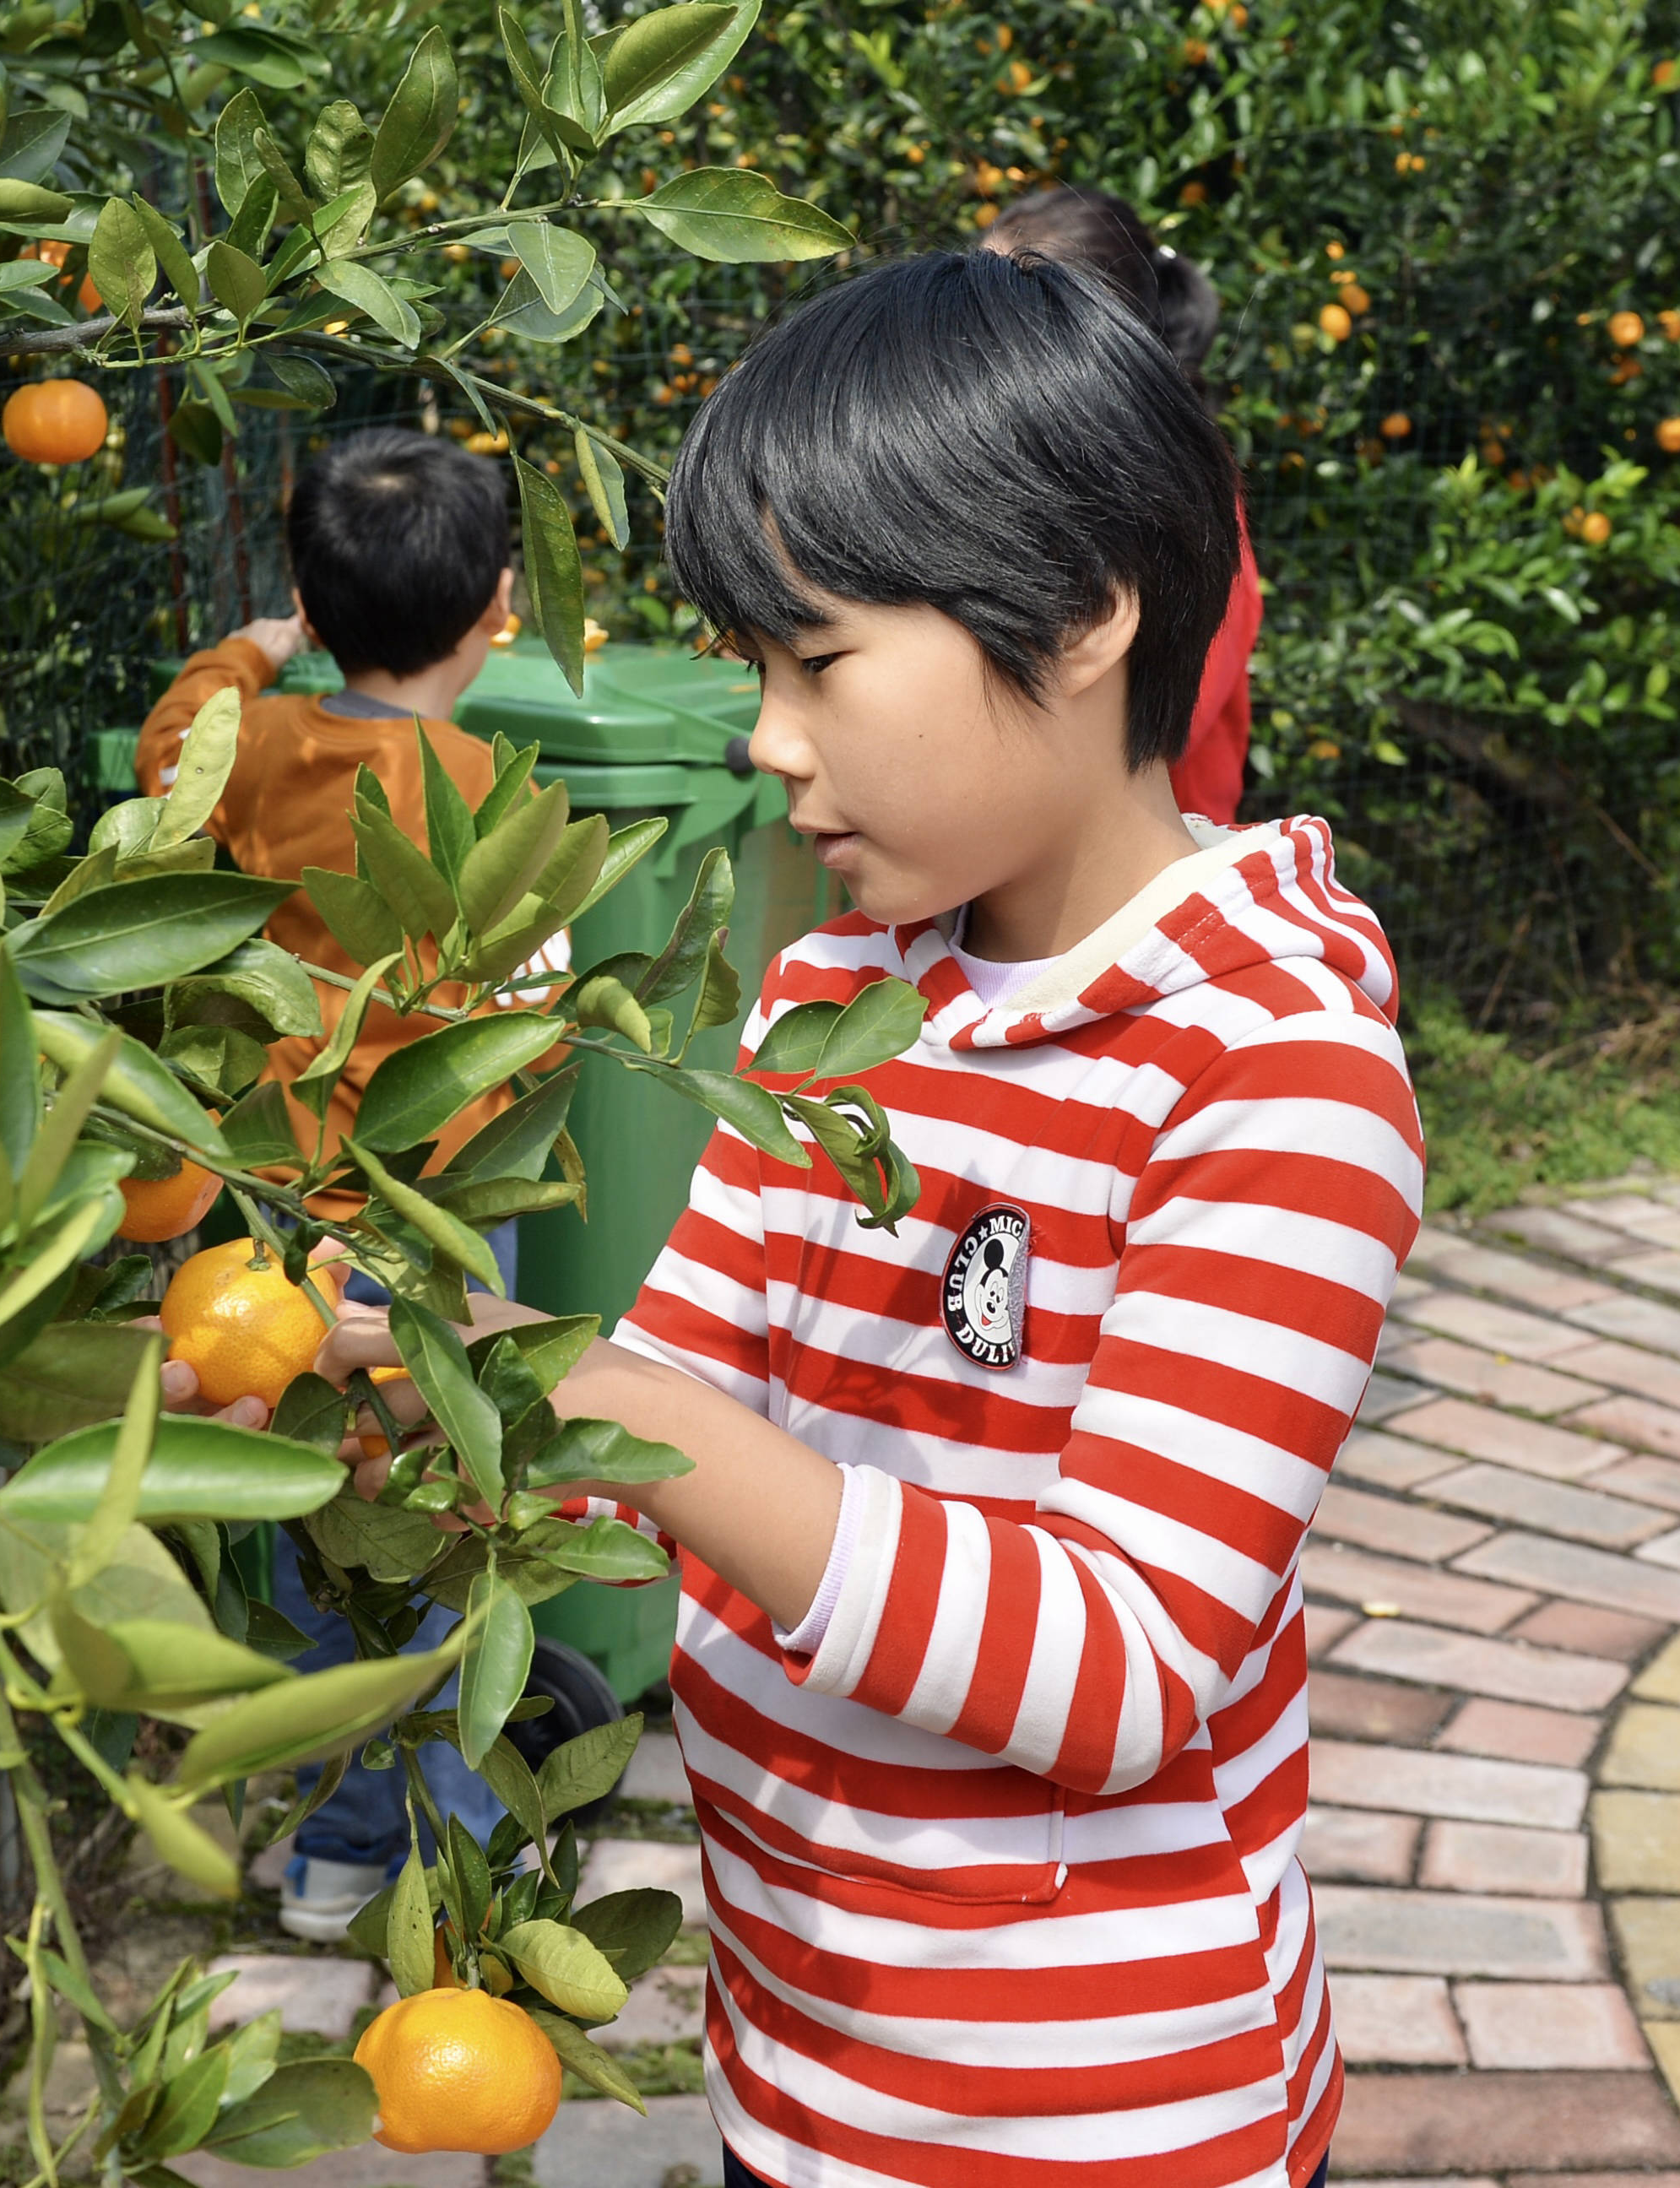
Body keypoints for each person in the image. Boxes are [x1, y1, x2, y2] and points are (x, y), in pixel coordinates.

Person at [182, 252, 1417, 2185]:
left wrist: (575, 1383)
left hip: (1103, 2109)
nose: (761, 740)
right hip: (796, 2064)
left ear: (1079, 614)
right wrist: (424, 1401)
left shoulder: (1268, 1082)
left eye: (814, 664)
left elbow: (1104, 1670)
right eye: (750, 672)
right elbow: (668, 1382)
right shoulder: (836, 994)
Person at [135, 426, 526, 1940]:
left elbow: (174, 745)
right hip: (430, 1220)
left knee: (311, 1514)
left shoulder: (266, 746)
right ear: (498, 603)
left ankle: (332, 1852)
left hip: (275, 1224)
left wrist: (247, 647)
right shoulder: (485, 787)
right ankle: (451, 1849)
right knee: (451, 1523)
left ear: (307, 585)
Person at [982, 185, 1260, 826]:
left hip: (1158, 872)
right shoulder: (1026, 478)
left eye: (1008, 316)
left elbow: (1173, 724)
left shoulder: (1195, 508)